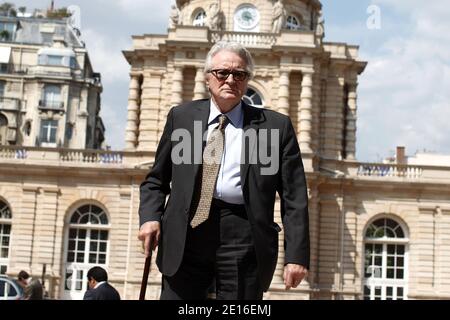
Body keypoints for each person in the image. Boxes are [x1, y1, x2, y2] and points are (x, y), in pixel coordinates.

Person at [138, 41, 309, 300]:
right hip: (186, 234)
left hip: (243, 235)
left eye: (239, 74)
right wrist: (150, 216)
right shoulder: (181, 117)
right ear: (208, 78)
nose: (231, 79)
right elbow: (156, 180)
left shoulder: (276, 128)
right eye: (222, 73)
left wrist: (296, 255)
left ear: (247, 80)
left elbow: (294, 198)